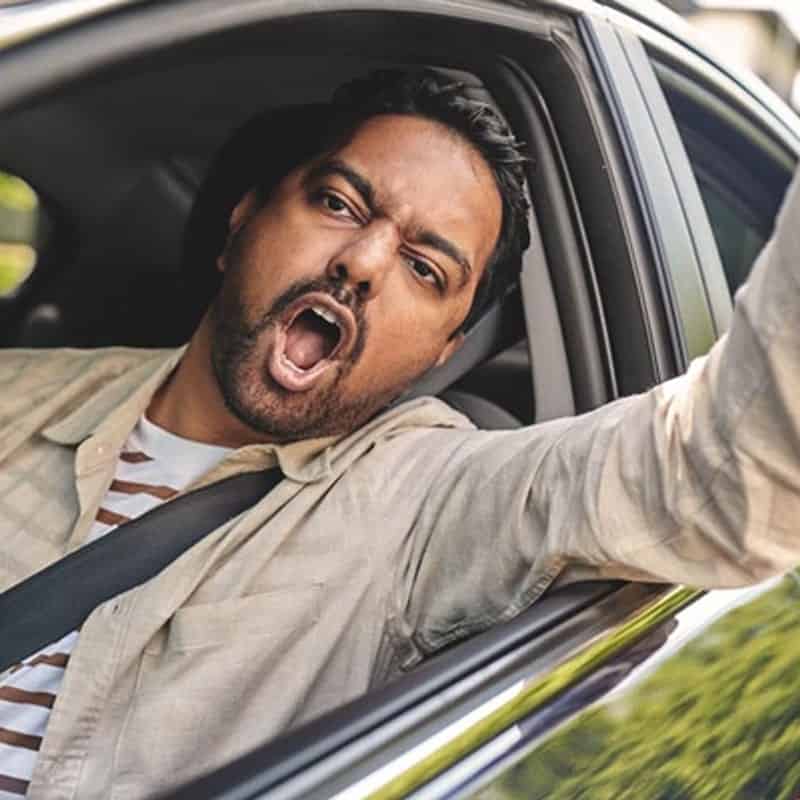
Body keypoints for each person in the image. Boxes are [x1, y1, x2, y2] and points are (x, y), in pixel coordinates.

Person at [0, 68, 798, 799]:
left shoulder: (428, 499)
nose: (364, 263)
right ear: (244, 212)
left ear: (442, 350)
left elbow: (728, 470)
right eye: (340, 204)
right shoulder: (17, 388)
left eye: (426, 269)